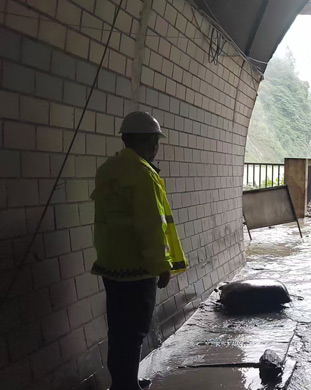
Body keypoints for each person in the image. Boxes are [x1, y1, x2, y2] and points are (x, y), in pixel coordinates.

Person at [90, 111, 188, 390]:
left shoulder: (107, 170)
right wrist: (161, 265)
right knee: (134, 332)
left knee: (118, 330)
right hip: (137, 269)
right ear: (147, 143)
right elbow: (151, 226)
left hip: (111, 265)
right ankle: (127, 387)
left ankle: (122, 382)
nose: (156, 148)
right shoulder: (144, 176)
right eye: (154, 142)